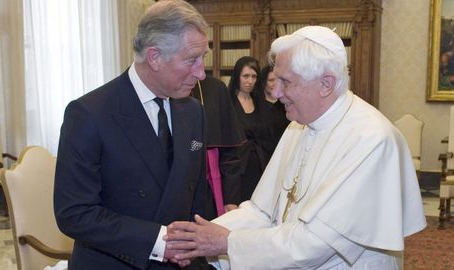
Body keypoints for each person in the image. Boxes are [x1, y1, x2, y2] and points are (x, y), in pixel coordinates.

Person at [164, 26, 427, 269]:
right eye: (275, 80)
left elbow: (317, 244)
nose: (275, 92)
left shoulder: (372, 139)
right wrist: (197, 237)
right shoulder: (300, 123)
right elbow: (263, 211)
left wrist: (226, 243)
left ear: (326, 83)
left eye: (286, 82)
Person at [53, 1, 211, 269]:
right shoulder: (89, 113)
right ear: (155, 57)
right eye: (192, 59)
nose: (202, 72)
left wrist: (199, 245)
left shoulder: (194, 111)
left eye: (203, 58)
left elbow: (196, 194)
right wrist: (159, 242)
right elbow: (74, 213)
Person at [191, 75, 245, 217]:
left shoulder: (216, 88)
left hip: (209, 190)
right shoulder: (163, 86)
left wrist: (231, 199)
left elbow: (230, 154)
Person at [228, 56, 270, 202]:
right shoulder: (228, 103)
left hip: (260, 166)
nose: (250, 81)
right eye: (245, 76)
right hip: (237, 169)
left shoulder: (261, 103)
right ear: (237, 77)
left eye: (254, 76)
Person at [257, 65, 290, 160]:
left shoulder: (286, 105)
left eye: (278, 80)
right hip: (262, 157)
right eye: (271, 80)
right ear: (263, 82)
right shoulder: (256, 106)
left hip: (283, 154)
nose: (275, 84)